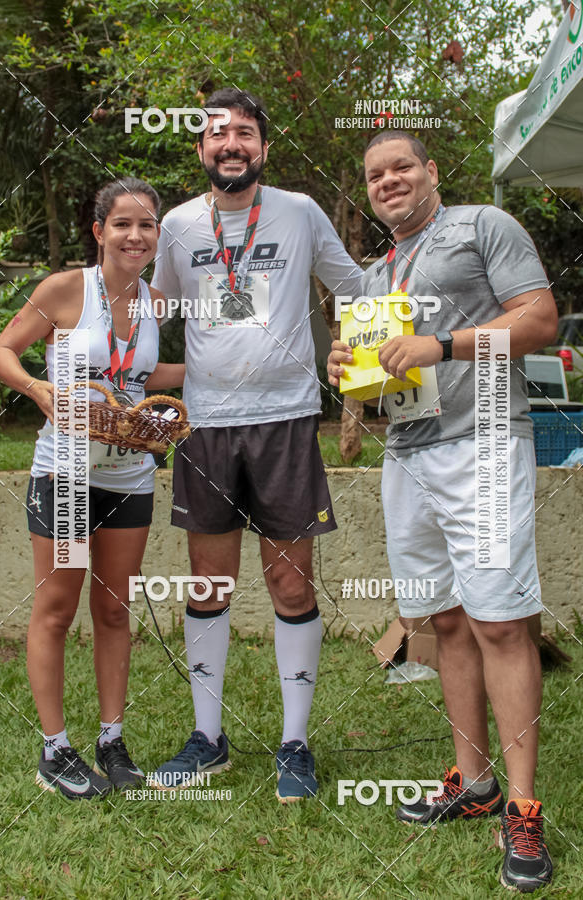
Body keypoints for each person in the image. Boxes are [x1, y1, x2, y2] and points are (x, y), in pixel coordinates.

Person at [327, 132, 557, 892]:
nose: (389, 180)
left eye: (402, 167)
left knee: (497, 621)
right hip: (409, 455)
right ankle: (474, 781)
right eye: (374, 175)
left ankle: (522, 809)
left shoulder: (484, 226)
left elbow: (539, 322)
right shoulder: (370, 277)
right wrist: (347, 373)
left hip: (484, 441)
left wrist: (443, 345)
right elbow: (376, 382)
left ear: (431, 172)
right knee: (445, 621)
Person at [150, 87, 363, 802]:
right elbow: (157, 316)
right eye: (218, 134)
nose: (231, 143)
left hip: (287, 419)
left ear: (263, 148)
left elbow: (356, 289)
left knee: (288, 583)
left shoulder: (300, 212)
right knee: (210, 584)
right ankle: (208, 739)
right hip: (206, 425)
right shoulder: (178, 226)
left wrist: (355, 369)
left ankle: (295, 744)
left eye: (244, 132)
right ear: (201, 149)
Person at [0, 177, 185, 800]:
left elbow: (146, 371)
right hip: (68, 477)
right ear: (99, 231)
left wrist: (231, 360)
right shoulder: (65, 289)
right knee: (56, 608)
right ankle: (55, 751)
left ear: (157, 236)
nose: (135, 235)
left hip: (129, 477)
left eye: (147, 225)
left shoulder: (154, 301)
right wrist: (37, 389)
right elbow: (3, 350)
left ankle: (111, 739)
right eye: (122, 224)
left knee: (113, 609)